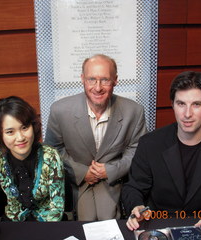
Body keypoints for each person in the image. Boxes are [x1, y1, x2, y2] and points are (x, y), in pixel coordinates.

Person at [122, 71, 201, 240]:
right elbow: (133, 187)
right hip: (159, 227)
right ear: (173, 105)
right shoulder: (150, 143)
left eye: (196, 104)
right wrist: (136, 206)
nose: (187, 114)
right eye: (181, 104)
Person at [44, 54, 147, 220]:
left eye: (105, 80)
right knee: (83, 225)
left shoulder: (134, 111)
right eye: (92, 79)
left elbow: (137, 150)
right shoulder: (59, 110)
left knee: (111, 225)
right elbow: (52, 150)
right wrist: (82, 172)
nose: (98, 87)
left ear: (115, 80)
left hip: (113, 182)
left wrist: (110, 170)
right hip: (76, 182)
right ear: (82, 79)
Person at [0, 96, 64, 240]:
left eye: (24, 127)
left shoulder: (50, 156)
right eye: (10, 132)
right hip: (12, 226)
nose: (20, 137)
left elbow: (57, 208)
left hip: (47, 226)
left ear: (33, 127)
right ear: (0, 135)